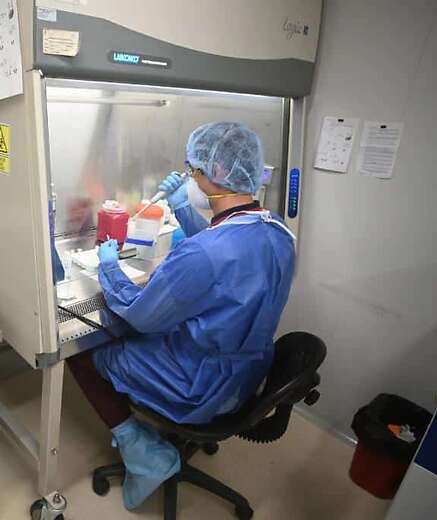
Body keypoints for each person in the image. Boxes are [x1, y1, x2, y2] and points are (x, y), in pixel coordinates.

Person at [66, 121, 296, 510]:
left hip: (200, 385)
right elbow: (224, 243)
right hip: (247, 374)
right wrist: (181, 207)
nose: (190, 174)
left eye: (193, 168)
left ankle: (144, 454)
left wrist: (107, 265)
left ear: (214, 171)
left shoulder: (203, 254)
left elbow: (140, 315)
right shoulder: (277, 232)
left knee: (82, 352)